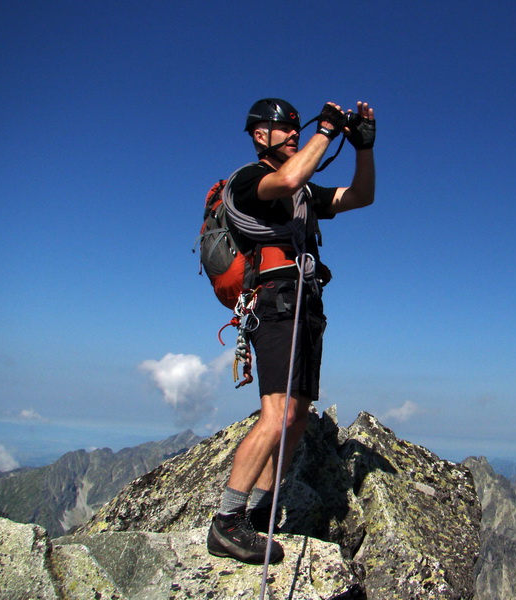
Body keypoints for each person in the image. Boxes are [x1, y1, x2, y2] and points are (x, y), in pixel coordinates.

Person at [206, 98, 375, 564]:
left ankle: (259, 514)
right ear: (261, 135)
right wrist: (326, 130)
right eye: (287, 131)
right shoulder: (247, 180)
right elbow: (288, 178)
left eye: (298, 132)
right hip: (274, 305)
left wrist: (363, 147)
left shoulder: (303, 196)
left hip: (305, 305)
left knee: (298, 415)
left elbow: (361, 196)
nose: (295, 137)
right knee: (277, 413)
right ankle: (226, 521)